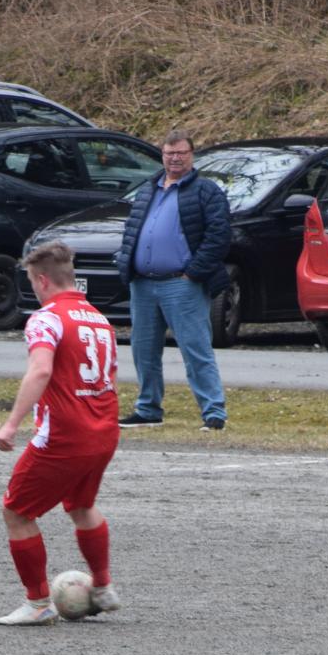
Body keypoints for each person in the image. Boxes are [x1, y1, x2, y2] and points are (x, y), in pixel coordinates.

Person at [0, 241, 122, 626]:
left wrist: (12, 422)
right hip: (103, 432)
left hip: (65, 435)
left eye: (32, 281)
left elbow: (41, 370)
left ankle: (37, 603)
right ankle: (102, 587)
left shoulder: (46, 318)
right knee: (81, 507)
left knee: (16, 512)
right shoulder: (98, 318)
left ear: (42, 280)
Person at [114, 128, 231, 431]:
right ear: (162, 155)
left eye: (181, 153)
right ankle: (148, 409)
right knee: (143, 350)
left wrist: (193, 272)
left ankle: (214, 412)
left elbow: (219, 237)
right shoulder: (147, 189)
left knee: (195, 349)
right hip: (142, 284)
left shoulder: (206, 191)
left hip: (182, 284)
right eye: (169, 153)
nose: (175, 158)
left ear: (192, 155)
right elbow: (131, 230)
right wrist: (125, 263)